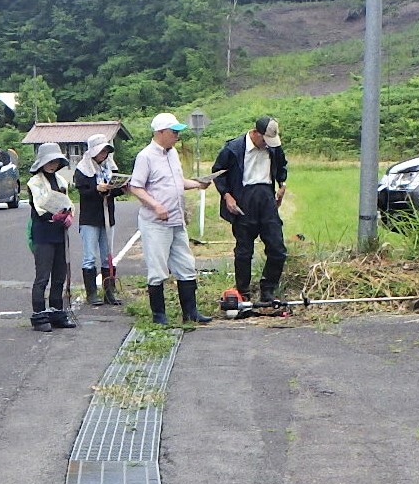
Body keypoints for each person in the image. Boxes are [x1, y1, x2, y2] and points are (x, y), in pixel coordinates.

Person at [128, 113, 213, 326]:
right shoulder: (146, 156)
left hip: (176, 219)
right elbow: (135, 186)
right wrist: (155, 205)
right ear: (160, 132)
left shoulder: (172, 153)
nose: (177, 136)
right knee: (157, 268)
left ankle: (191, 312)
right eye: (173, 132)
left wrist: (197, 184)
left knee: (186, 264)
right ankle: (159, 315)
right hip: (155, 223)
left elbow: (176, 182)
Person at [212, 116, 289, 302]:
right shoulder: (233, 149)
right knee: (244, 251)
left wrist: (282, 184)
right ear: (255, 133)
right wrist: (227, 195)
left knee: (277, 248)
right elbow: (218, 173)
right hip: (243, 199)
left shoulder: (273, 147)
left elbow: (281, 166)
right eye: (264, 140)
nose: (267, 144)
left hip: (266, 199)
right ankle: (243, 291)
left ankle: (268, 289)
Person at [73, 133, 128, 306]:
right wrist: (97, 189)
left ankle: (110, 292)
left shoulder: (110, 167)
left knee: (108, 256)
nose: (103, 155)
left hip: (107, 216)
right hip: (90, 218)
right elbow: (83, 192)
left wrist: (118, 188)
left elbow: (116, 189)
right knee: (89, 256)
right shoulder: (82, 169)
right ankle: (92, 294)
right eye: (101, 151)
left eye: (106, 151)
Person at [27, 142, 76, 332]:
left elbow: (69, 204)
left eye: (55, 161)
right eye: (49, 161)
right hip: (43, 232)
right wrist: (55, 214)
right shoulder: (34, 183)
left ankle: (57, 312)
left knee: (59, 275)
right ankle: (39, 316)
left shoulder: (61, 181)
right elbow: (40, 208)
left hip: (59, 232)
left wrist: (69, 215)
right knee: (43, 276)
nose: (52, 165)